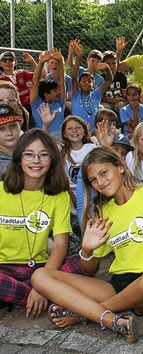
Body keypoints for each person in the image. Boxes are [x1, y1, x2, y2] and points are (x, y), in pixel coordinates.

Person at [30, 145, 143, 342]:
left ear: (121, 166)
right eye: (93, 180)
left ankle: (87, 313)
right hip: (118, 285)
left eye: (103, 173)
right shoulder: (103, 213)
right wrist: (87, 249)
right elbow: (89, 271)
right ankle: (109, 318)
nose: (100, 182)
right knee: (40, 275)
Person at [0, 129, 81, 316]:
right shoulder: (1, 190)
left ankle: (29, 294)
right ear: (19, 158)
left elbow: (61, 244)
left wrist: (42, 283)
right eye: (29, 154)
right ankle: (56, 295)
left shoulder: (58, 195)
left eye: (43, 155)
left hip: (40, 269)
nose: (36, 161)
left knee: (83, 262)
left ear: (52, 160)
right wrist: (44, 288)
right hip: (4, 267)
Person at [30, 49, 66, 140]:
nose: (58, 92)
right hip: (43, 136)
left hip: (61, 137)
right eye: (54, 91)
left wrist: (60, 60)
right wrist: (41, 62)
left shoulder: (59, 102)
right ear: (46, 94)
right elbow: (35, 83)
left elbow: (62, 81)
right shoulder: (36, 103)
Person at [100, 50, 128, 116]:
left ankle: (125, 125)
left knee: (121, 106)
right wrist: (109, 100)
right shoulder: (101, 78)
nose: (111, 66)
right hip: (106, 102)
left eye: (114, 63)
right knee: (104, 109)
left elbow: (124, 92)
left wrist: (124, 96)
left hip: (119, 101)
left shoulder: (121, 77)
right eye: (108, 64)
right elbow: (98, 95)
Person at [0, 104, 22, 174]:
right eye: (1, 129)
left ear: (20, 126)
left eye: (12, 126)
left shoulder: (30, 150)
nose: (9, 133)